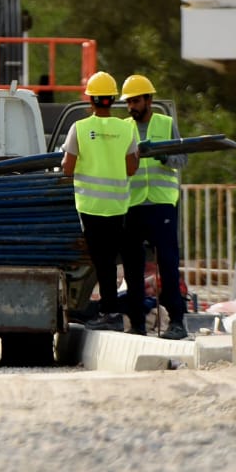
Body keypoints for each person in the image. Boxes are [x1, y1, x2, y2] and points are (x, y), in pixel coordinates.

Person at [61, 72, 146, 334]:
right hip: (118, 207)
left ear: (91, 100)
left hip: (90, 207)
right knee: (111, 261)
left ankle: (110, 313)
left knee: (102, 263)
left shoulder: (79, 128)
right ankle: (116, 313)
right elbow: (131, 168)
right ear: (112, 99)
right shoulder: (126, 129)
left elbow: (67, 168)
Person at [121, 73, 189, 340]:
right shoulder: (123, 128)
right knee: (133, 268)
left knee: (169, 264)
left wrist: (163, 156)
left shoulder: (166, 123)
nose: (131, 107)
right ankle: (137, 323)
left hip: (162, 204)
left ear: (149, 100)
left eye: (136, 101)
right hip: (133, 204)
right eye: (129, 102)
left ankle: (177, 321)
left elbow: (182, 160)